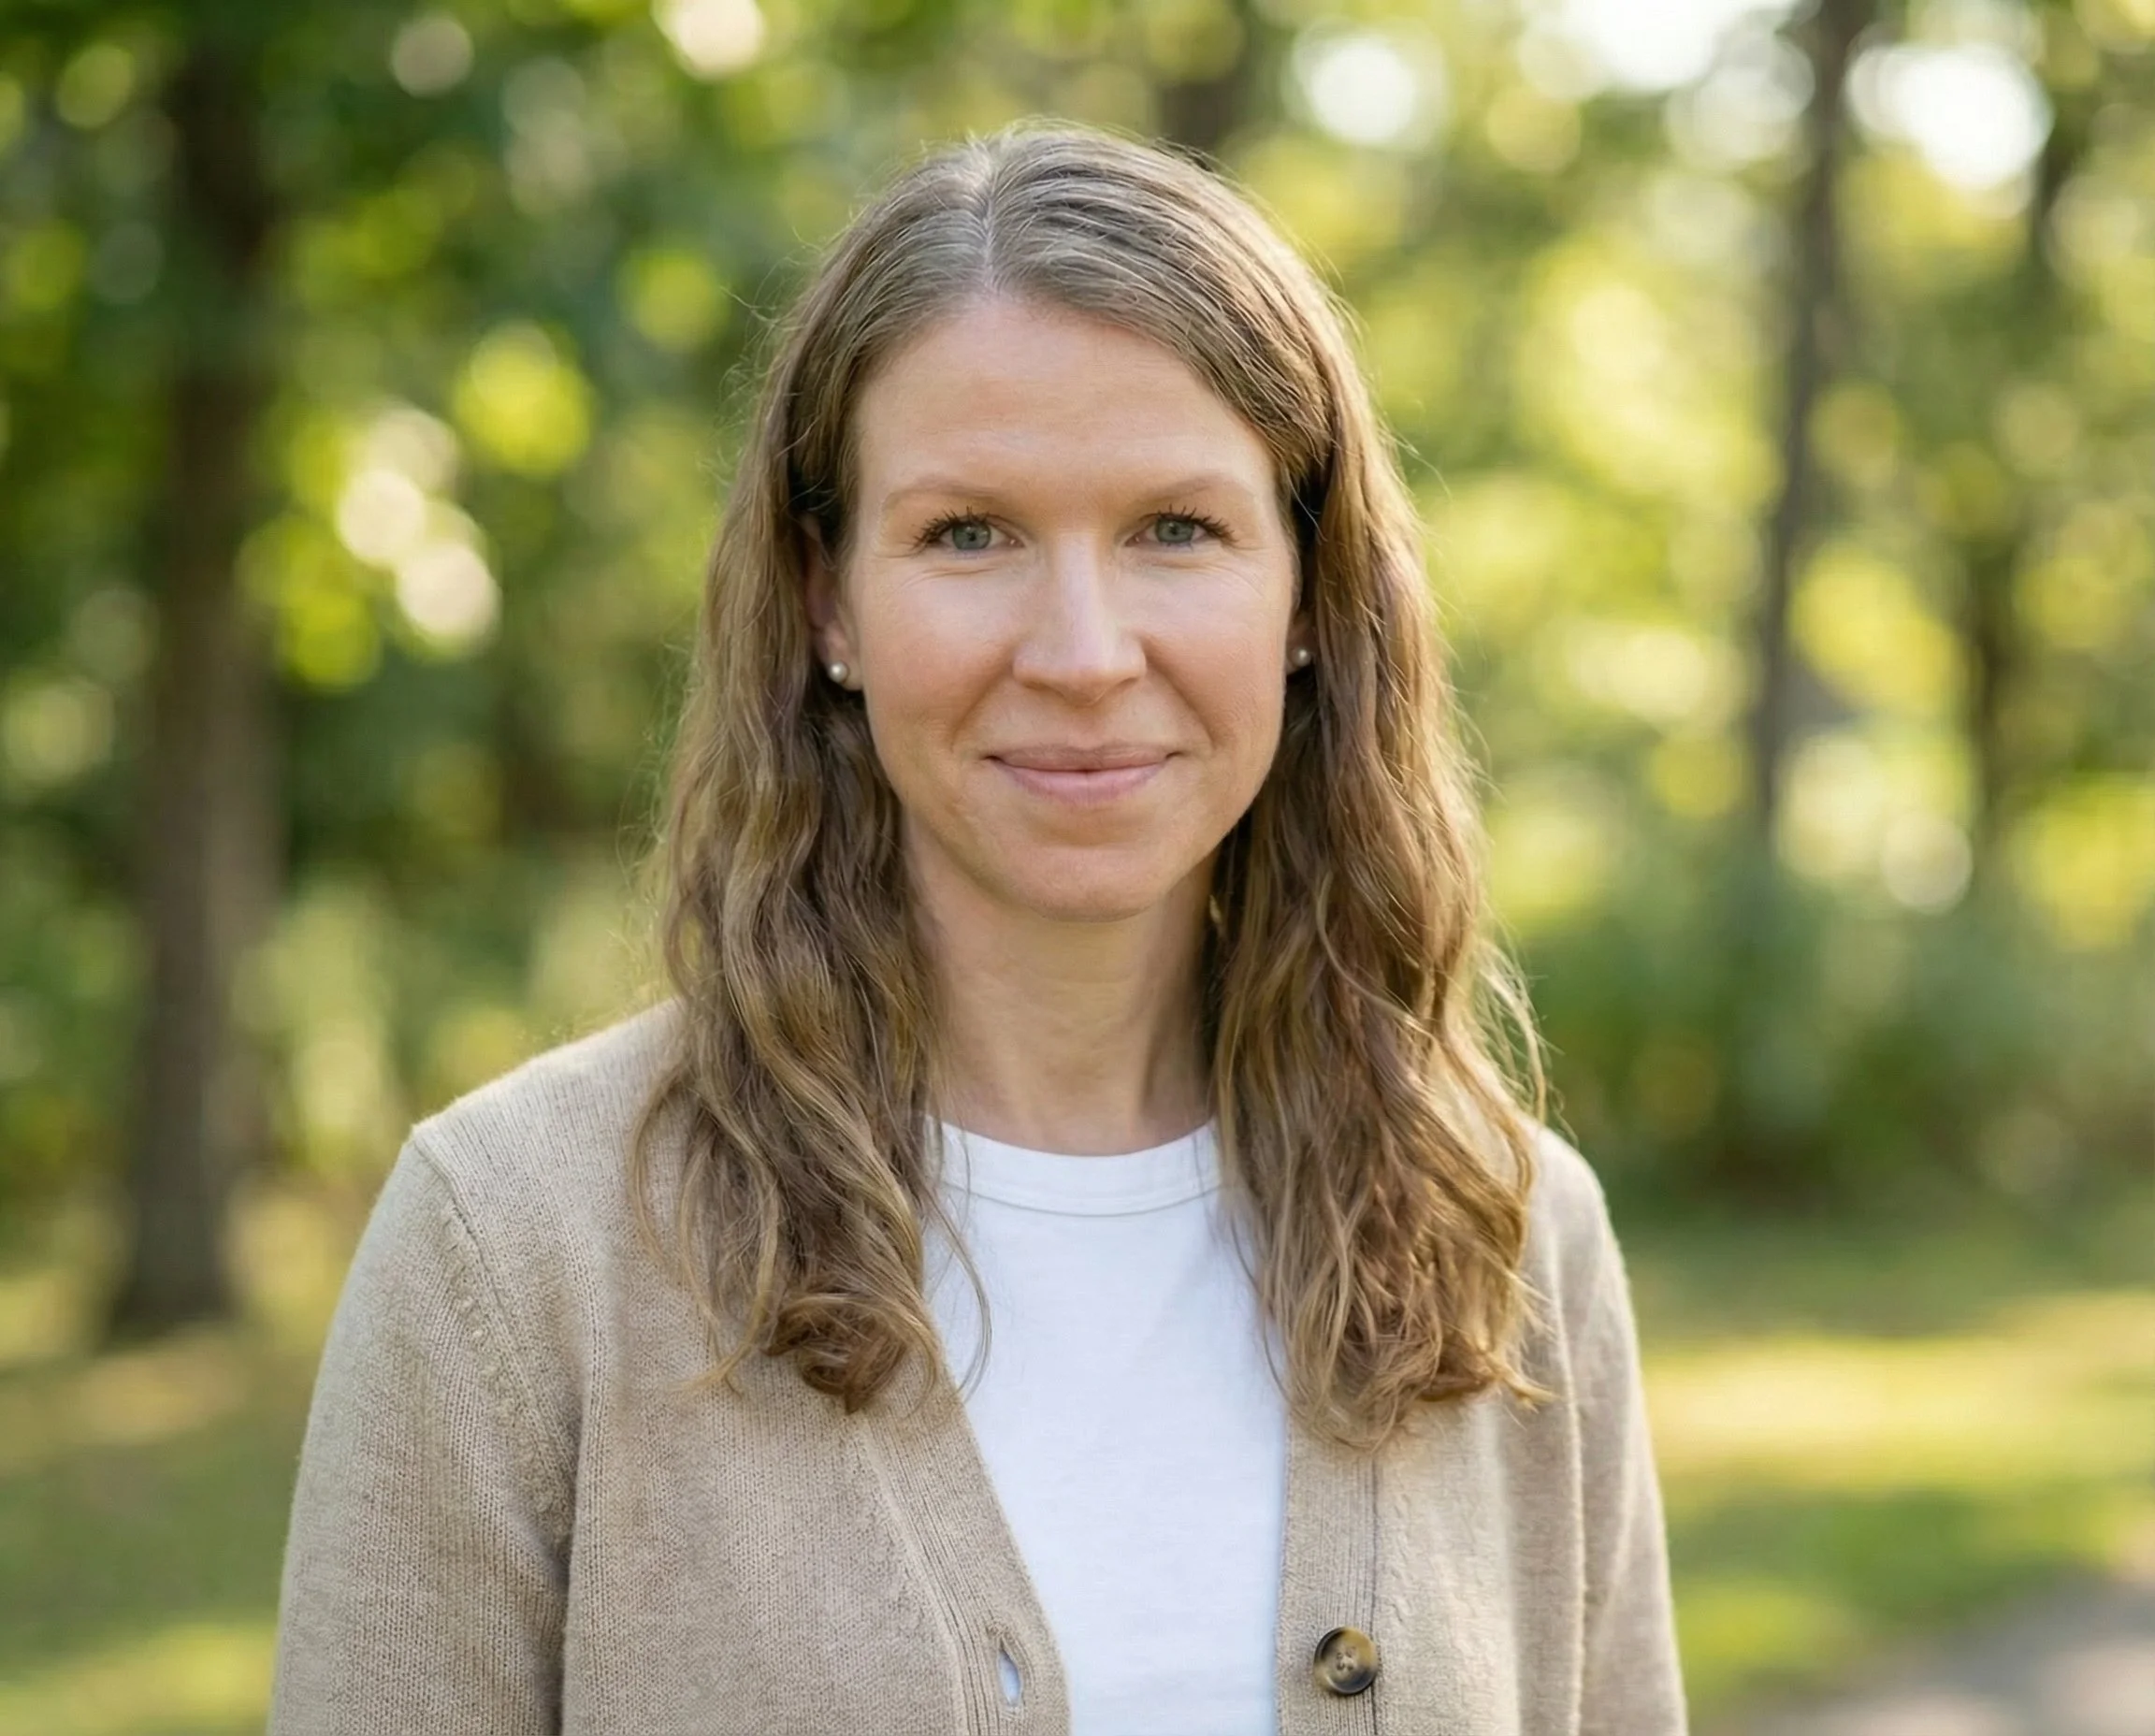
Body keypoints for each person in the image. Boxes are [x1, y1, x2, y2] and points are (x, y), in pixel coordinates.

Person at [268, 122, 1686, 1736]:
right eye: (967, 533)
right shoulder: (512, 1249)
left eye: (1176, 528)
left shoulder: (1501, 1232)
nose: (1084, 652)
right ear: (827, 601)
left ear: (1309, 594)